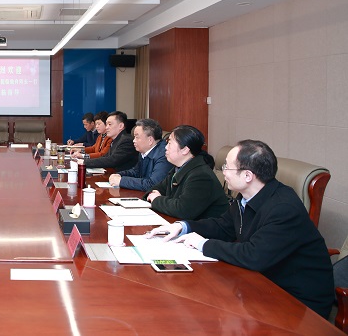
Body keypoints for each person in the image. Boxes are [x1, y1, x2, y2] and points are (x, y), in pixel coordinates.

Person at [147, 140, 334, 319]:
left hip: (298, 302)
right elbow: (223, 226)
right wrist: (183, 226)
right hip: (261, 284)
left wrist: (202, 244)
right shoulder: (245, 197)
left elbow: (254, 256)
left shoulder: (283, 208)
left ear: (248, 176)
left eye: (227, 167)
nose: (223, 172)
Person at [144, 125, 228, 220]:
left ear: (185, 150)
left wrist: (156, 199)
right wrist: (154, 194)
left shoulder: (201, 176)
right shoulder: (178, 168)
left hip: (205, 229)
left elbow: (183, 210)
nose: (166, 147)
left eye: (169, 143)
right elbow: (155, 189)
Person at [109, 119, 172, 191]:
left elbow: (153, 184)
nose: (134, 141)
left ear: (150, 140)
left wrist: (121, 181)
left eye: (137, 137)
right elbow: (136, 172)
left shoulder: (164, 155)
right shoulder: (144, 151)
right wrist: (119, 175)